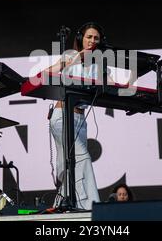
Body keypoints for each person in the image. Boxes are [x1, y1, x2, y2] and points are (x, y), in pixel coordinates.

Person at [46, 22, 106, 210]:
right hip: (63, 116)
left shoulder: (98, 64)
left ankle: (60, 208)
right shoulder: (70, 55)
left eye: (96, 38)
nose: (92, 41)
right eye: (89, 37)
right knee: (83, 160)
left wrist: (134, 76)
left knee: (70, 167)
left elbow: (112, 85)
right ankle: (90, 210)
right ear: (81, 38)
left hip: (80, 120)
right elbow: (47, 73)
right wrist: (76, 59)